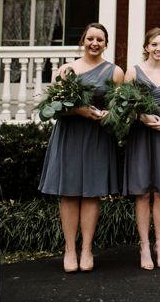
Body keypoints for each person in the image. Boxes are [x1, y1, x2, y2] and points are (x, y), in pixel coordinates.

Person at [39, 23, 124, 273]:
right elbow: (53, 105)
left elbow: (118, 105)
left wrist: (110, 112)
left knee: (91, 193)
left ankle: (87, 248)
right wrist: (79, 110)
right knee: (69, 193)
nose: (94, 43)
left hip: (97, 136)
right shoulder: (67, 70)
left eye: (99, 39)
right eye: (90, 38)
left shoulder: (115, 72)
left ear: (106, 43)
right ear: (83, 41)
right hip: (70, 135)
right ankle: (70, 250)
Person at [121, 28, 160, 271]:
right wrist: (141, 116)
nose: (158, 48)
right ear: (146, 46)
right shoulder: (133, 72)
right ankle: (144, 245)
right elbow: (123, 103)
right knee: (143, 192)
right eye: (154, 44)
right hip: (141, 135)